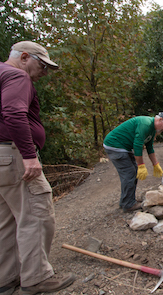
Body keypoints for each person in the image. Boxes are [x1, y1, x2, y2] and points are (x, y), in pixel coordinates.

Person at [0, 41, 76, 295]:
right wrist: (29, 155)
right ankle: (36, 278)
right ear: (23, 57)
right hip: (13, 155)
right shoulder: (17, 75)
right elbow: (12, 113)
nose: (44, 72)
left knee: (7, 221)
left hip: (2, 159)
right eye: (42, 65)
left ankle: (7, 279)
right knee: (36, 214)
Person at [103, 112, 163, 212]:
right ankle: (128, 204)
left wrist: (155, 164)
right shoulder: (145, 124)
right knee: (129, 172)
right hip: (115, 145)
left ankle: (127, 200)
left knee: (133, 171)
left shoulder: (152, 130)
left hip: (124, 147)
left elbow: (149, 147)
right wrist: (141, 165)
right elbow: (137, 146)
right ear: (160, 120)